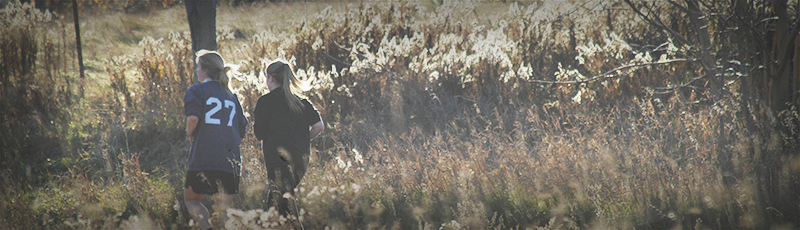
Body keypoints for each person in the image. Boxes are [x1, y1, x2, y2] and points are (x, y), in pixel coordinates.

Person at [183, 50, 247, 229]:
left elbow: (193, 119)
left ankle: (206, 227)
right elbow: (242, 128)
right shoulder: (232, 96)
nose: (196, 71)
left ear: (206, 70)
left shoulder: (197, 90)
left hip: (204, 157)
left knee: (191, 200)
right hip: (231, 160)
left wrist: (190, 135)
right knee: (223, 210)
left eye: (198, 67)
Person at [253, 61, 324, 216]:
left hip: (277, 160)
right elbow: (319, 126)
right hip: (300, 160)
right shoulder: (301, 102)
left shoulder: (265, 101)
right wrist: (304, 140)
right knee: (277, 205)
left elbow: (259, 134)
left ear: (270, 78)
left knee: (283, 206)